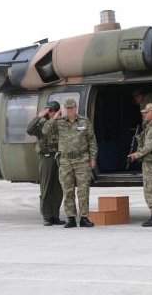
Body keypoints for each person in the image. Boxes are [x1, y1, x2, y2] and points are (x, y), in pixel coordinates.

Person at [43, 98, 98, 228]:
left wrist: (93, 158)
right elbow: (45, 131)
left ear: (76, 108)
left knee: (83, 190)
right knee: (68, 190)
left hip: (82, 160)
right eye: (67, 108)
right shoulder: (59, 122)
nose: (70, 110)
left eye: (72, 108)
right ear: (64, 109)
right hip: (66, 160)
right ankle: (71, 218)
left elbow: (91, 140)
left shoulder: (84, 121)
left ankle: (84, 217)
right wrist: (54, 118)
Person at [26, 101, 65, 226]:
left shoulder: (62, 123)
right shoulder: (41, 124)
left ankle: (55, 215)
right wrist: (39, 116)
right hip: (47, 158)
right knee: (46, 188)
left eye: (53, 111)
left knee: (58, 189)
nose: (52, 113)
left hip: (59, 158)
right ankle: (47, 216)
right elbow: (29, 129)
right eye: (50, 111)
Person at [127, 103, 152, 227]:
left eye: (147, 112)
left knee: (151, 188)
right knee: (150, 188)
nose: (144, 114)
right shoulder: (151, 127)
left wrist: (136, 155)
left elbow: (149, 147)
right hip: (151, 162)